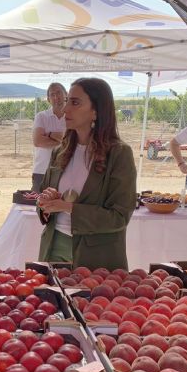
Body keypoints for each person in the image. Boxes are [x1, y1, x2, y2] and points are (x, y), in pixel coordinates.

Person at [37, 77, 136, 270]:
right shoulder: (61, 150)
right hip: (53, 248)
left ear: (96, 111)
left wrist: (69, 207)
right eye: (67, 101)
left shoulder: (119, 154)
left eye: (75, 102)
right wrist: (45, 203)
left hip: (96, 257)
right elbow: (42, 199)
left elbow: (119, 217)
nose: (65, 109)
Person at [32, 82, 67, 191]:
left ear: (66, 95)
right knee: (39, 206)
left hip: (65, 171)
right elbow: (38, 141)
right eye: (52, 95)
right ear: (48, 99)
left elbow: (78, 140)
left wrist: (50, 134)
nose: (56, 97)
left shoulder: (73, 117)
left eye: (59, 93)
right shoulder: (41, 117)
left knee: (62, 206)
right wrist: (64, 141)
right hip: (42, 170)